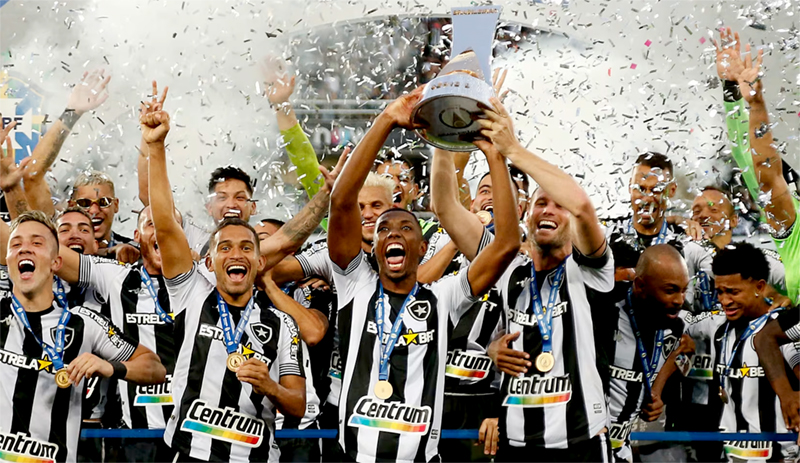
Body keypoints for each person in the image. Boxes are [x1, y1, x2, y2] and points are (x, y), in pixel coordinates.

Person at [328, 87, 521, 462]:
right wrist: (387, 118)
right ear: (374, 247)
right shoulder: (354, 285)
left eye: (406, 228)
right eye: (384, 229)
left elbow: (506, 245)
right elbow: (341, 200)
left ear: (422, 247)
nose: (394, 234)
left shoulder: (443, 297)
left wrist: (495, 155)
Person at [143, 103, 334, 461]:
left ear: (260, 262)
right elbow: (166, 224)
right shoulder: (191, 293)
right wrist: (155, 146)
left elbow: (297, 404)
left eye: (247, 247)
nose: (236, 254)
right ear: (209, 261)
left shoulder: (281, 323)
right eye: (225, 248)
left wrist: (270, 387)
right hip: (189, 455)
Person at [478, 97, 614, 461]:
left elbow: (582, 206)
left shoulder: (591, 271)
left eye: (558, 205)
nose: (549, 210)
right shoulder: (510, 273)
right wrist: (450, 141)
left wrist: (513, 149)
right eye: (541, 203)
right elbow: (446, 209)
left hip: (579, 444)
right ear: (528, 216)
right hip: (516, 446)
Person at [0, 211, 165, 463]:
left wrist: (109, 367)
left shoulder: (84, 323)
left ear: (56, 262)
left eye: (36, 243)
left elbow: (154, 368)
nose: (24, 249)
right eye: (15, 244)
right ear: (7, 259)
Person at [682, 242, 799, 461]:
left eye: (733, 292)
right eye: (720, 292)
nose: (724, 301)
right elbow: (675, 321)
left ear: (760, 287)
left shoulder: (783, 332)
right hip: (729, 455)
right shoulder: (715, 325)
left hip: (780, 456)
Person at [598, 245, 692, 462]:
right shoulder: (604, 311)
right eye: (670, 290)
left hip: (623, 447)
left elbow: (686, 360)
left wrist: (656, 391)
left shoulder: (676, 323)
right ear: (640, 286)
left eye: (684, 290)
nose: (679, 300)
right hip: (587, 444)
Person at [608, 152, 713, 309]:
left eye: (656, 190)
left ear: (671, 190)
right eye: (640, 188)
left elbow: (730, 273)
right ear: (630, 187)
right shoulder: (607, 234)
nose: (646, 198)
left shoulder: (688, 240)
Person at [69, 170, 140, 264]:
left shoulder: (135, 254)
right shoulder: (57, 252)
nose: (94, 211)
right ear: (71, 207)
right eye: (85, 203)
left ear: (116, 205)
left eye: (104, 202)